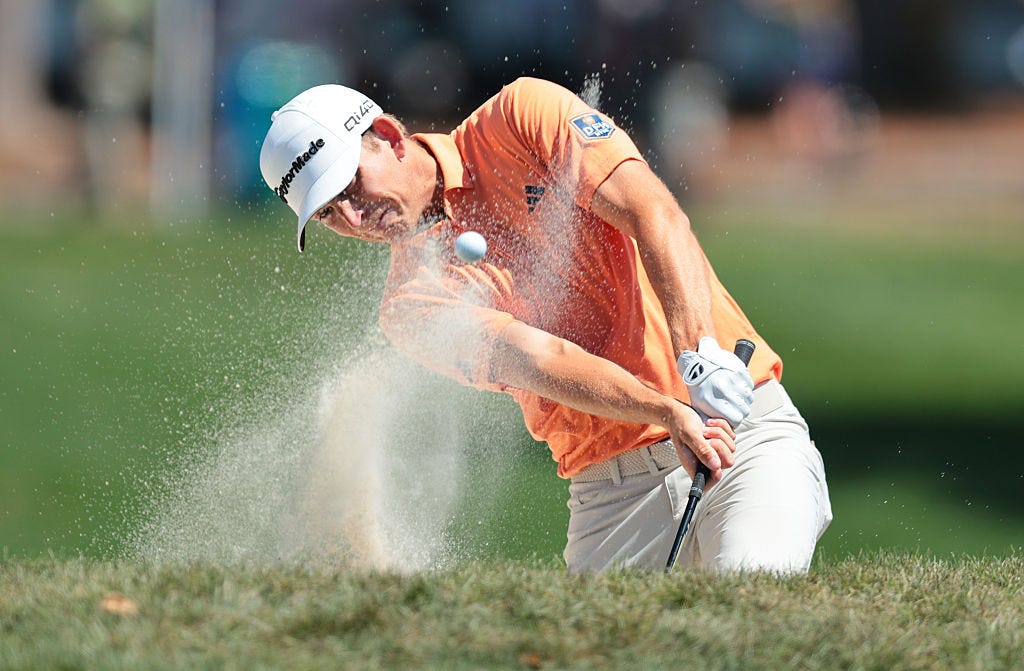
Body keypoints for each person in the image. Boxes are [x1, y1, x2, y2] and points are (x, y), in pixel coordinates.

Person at [259, 77, 832, 573]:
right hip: (613, 494)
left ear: (386, 135)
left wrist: (698, 354)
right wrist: (664, 410)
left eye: (351, 185)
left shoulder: (520, 116)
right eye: (331, 213)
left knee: (751, 593)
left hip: (739, 431)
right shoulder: (409, 305)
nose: (356, 218)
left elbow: (654, 213)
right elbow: (540, 361)